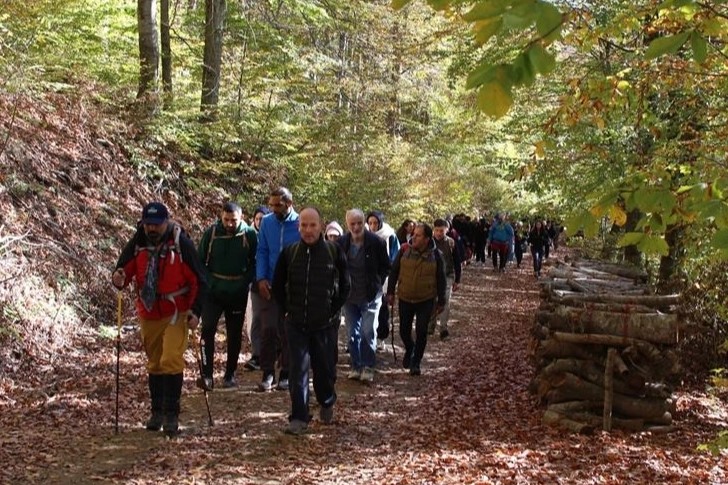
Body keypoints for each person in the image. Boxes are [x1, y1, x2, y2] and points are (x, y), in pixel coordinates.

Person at [111, 202, 207, 437]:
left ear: (166, 222)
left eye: (156, 224)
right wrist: (119, 276)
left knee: (171, 358)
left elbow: (200, 280)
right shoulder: (138, 242)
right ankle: (157, 412)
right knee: (154, 362)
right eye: (148, 224)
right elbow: (123, 270)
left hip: (177, 310)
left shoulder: (180, 243)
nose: (152, 228)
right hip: (149, 310)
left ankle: (172, 415)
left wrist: (196, 311)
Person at [271, 207, 351, 435]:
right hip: (296, 324)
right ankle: (299, 416)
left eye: (312, 225)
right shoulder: (289, 253)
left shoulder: (334, 252)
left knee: (324, 370)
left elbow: (346, 286)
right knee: (297, 370)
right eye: (304, 225)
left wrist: (332, 311)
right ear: (298, 227)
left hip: (324, 325)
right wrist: (286, 311)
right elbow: (277, 286)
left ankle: (327, 400)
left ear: (321, 226)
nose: (308, 230)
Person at [197, 202, 257, 389]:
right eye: (226, 220)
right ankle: (206, 375)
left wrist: (244, 281)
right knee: (207, 330)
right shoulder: (212, 233)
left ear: (241, 218)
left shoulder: (249, 234)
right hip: (213, 291)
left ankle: (230, 374)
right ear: (221, 217)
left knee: (234, 334)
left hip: (237, 292)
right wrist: (208, 282)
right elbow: (200, 261)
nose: (230, 224)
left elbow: (255, 261)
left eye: (234, 220)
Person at [387, 223, 446, 376]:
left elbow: (441, 278)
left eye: (418, 235)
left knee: (421, 331)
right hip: (405, 298)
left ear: (427, 239)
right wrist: (390, 292)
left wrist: (441, 301)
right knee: (404, 332)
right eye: (414, 234)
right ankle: (410, 348)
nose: (414, 237)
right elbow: (394, 271)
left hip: (426, 300)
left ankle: (416, 362)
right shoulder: (404, 250)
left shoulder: (436, 255)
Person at [255, 187, 300, 392]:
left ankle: (286, 372)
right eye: (271, 204)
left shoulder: (300, 223)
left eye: (277, 205)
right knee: (268, 328)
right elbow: (262, 250)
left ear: (288, 204)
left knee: (288, 330)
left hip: (292, 286)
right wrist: (261, 278)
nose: (273, 208)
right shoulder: (267, 222)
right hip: (270, 284)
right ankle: (267, 373)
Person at [340, 209, 390, 382]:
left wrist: (377, 282)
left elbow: (386, 266)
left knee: (368, 331)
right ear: (347, 224)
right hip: (349, 296)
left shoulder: (376, 242)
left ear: (365, 223)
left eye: (359, 223)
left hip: (370, 295)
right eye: (352, 223)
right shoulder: (341, 243)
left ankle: (368, 366)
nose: (356, 227)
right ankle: (356, 365)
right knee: (352, 333)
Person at [366, 210, 400, 350]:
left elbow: (395, 256)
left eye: (375, 223)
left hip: (385, 278)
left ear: (380, 223)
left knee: (382, 310)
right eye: (370, 223)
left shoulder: (389, 235)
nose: (373, 226)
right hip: (367, 278)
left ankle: (381, 337)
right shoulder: (364, 235)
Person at [244, 205, 271, 372]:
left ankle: (276, 352)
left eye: (263, 218)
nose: (260, 221)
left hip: (274, 280)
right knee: (256, 318)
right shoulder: (248, 235)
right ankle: (256, 354)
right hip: (255, 282)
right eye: (257, 218)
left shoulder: (272, 232)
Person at [428, 219, 461, 340]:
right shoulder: (429, 242)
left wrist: (457, 280)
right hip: (431, 276)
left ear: (446, 230)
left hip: (447, 275)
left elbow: (457, 262)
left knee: (445, 301)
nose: (439, 233)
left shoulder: (451, 243)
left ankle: (443, 329)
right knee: (432, 301)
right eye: (436, 230)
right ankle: (430, 325)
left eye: (441, 230)